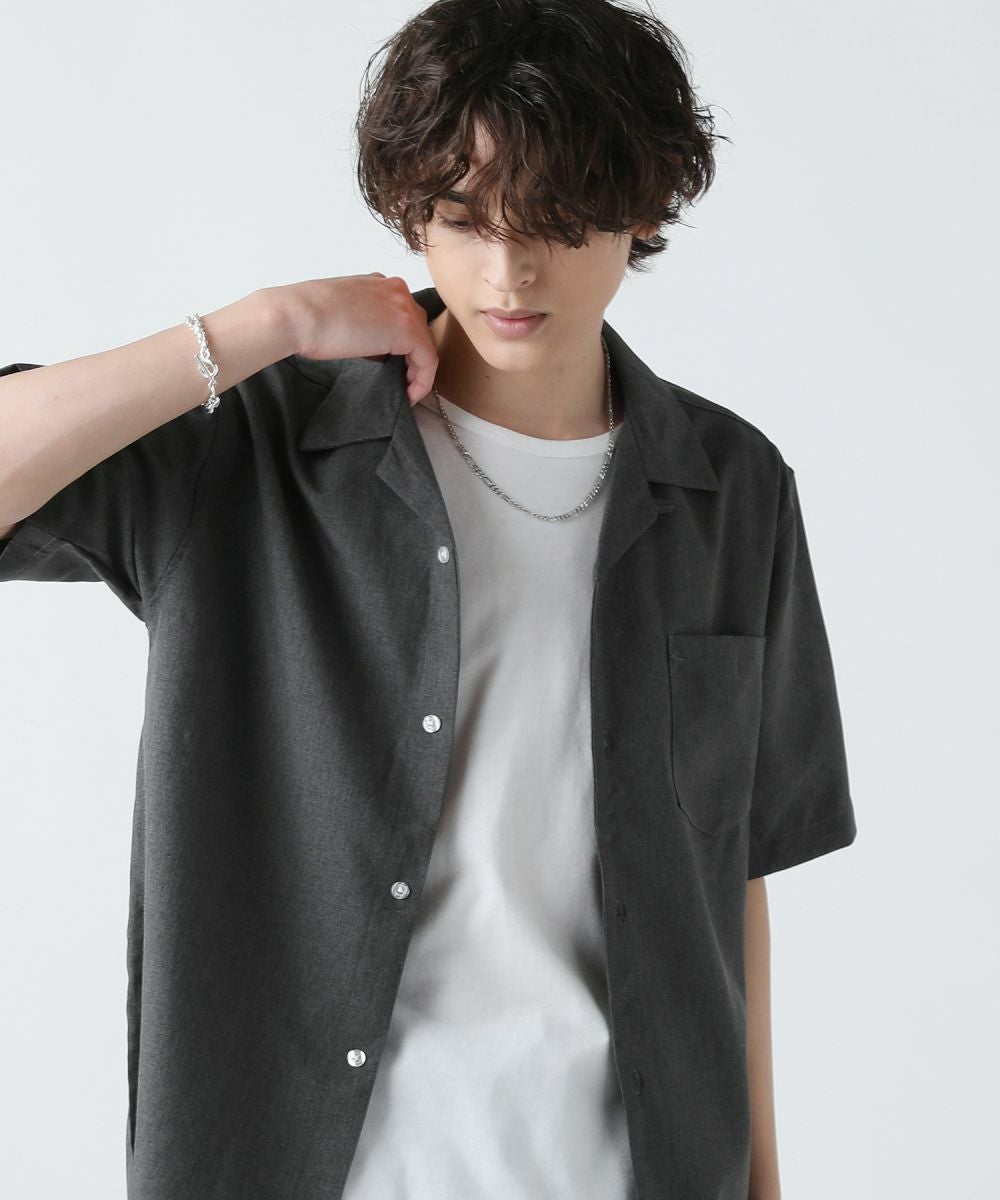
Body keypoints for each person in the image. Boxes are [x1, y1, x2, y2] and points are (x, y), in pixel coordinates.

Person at [0, 2, 857, 1198]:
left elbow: (734, 877)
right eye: (464, 219)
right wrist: (266, 325)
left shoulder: (730, 486)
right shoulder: (255, 451)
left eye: (556, 220)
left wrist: (761, 1180)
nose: (509, 271)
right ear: (411, 212)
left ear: (646, 208)